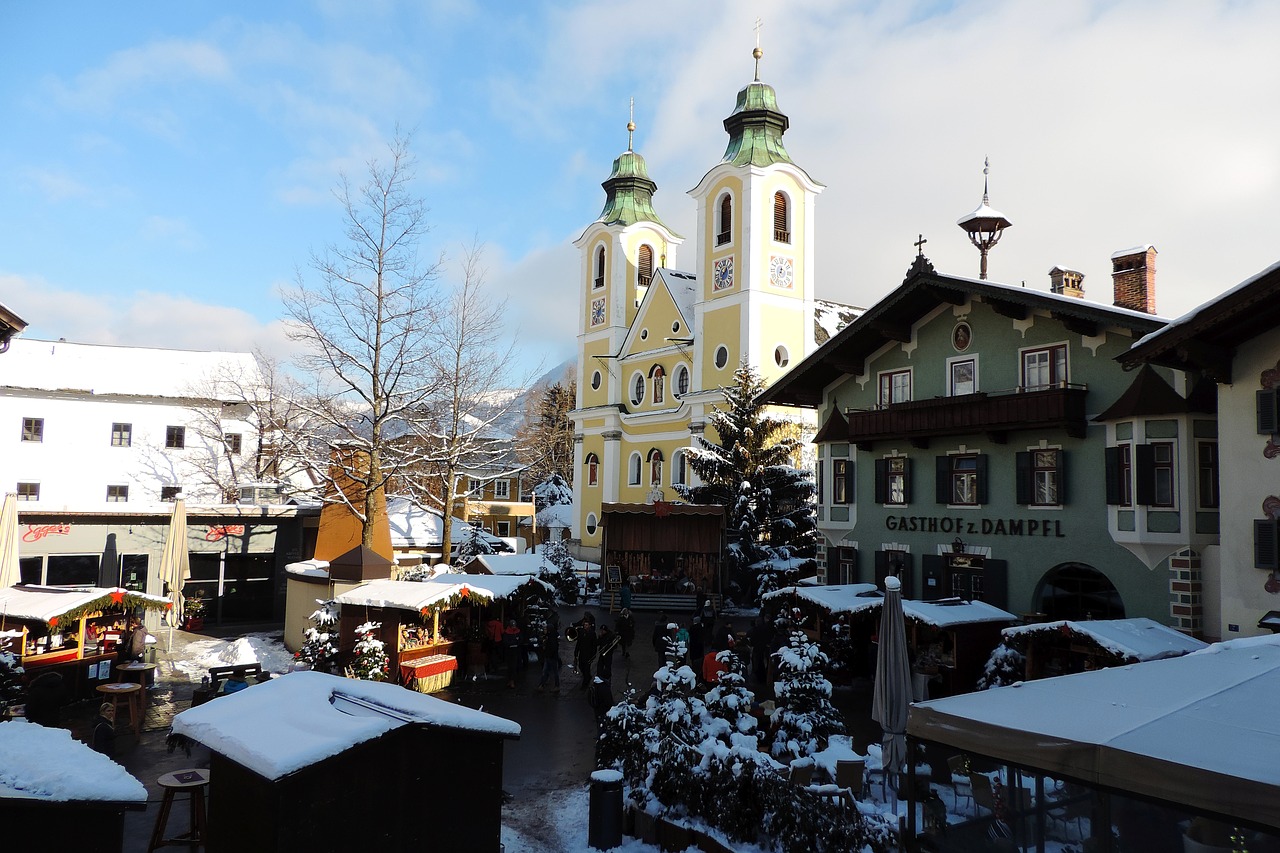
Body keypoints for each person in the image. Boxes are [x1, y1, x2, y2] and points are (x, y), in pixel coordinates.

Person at [537, 623, 561, 692]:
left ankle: (545, 685)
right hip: (550, 657)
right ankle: (542, 684)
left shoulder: (551, 637)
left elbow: (553, 648)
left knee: (549, 671)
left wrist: (548, 654)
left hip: (551, 657)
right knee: (547, 671)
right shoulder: (552, 636)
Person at [576, 619, 598, 690]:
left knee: (586, 669)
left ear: (589, 626)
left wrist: (593, 654)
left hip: (588, 654)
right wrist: (576, 651)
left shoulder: (592, 633)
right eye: (584, 625)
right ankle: (587, 676)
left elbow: (594, 645)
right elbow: (578, 643)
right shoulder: (581, 632)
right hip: (582, 653)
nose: (585, 626)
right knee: (580, 666)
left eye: (586, 625)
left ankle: (585, 684)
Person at [502, 620, 523, 689]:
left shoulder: (517, 632)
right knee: (510, 666)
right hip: (510, 651)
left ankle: (512, 680)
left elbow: (520, 640)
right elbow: (505, 642)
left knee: (513, 666)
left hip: (515, 651)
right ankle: (511, 680)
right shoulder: (507, 632)